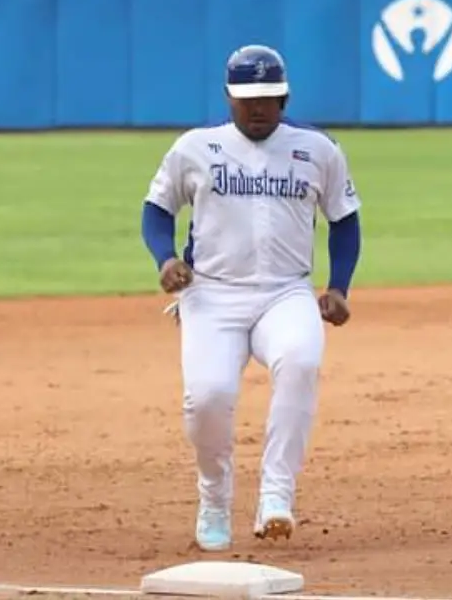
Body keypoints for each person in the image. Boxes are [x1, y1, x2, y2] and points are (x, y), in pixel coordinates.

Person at [139, 44, 363, 551]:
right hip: (211, 295)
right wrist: (166, 259)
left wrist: (340, 286)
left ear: (284, 97)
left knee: (301, 361)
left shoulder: (317, 148)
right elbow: (156, 210)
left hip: (286, 291)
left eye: (266, 98)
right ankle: (214, 497)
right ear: (228, 97)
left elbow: (345, 220)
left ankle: (277, 495)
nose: (257, 108)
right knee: (208, 399)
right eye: (246, 99)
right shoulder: (195, 147)